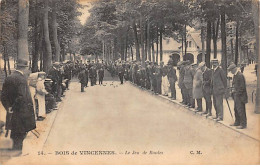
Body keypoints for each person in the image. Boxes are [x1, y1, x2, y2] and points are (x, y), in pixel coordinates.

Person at [1, 59, 36, 155]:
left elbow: (3, 95)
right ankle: (17, 151)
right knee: (21, 131)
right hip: (21, 110)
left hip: (12, 110)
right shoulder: (22, 79)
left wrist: (8, 107)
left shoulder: (9, 77)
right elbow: (21, 96)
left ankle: (14, 150)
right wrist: (14, 107)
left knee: (15, 130)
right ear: (25, 68)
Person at [228, 63, 248, 129]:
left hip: (240, 96)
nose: (230, 71)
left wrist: (236, 92)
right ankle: (237, 122)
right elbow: (234, 85)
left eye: (231, 70)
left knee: (241, 110)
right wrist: (232, 90)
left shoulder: (240, 75)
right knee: (236, 109)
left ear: (234, 69)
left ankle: (243, 124)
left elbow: (242, 87)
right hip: (236, 96)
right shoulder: (235, 75)